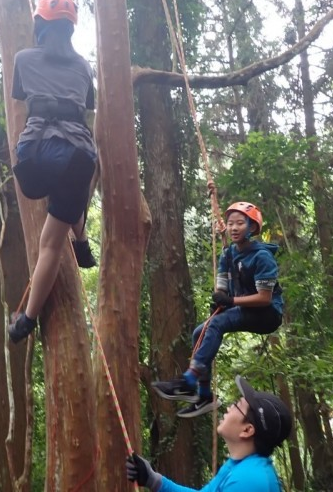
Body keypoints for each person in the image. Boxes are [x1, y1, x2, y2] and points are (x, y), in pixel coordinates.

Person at [7, 0, 98, 344]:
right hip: (78, 155)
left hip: (35, 157)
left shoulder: (24, 59)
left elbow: (19, 106)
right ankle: (82, 240)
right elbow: (85, 106)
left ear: (39, 24)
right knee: (54, 234)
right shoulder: (83, 67)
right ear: (71, 30)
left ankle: (26, 319)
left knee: (53, 223)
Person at [151, 202, 283, 417]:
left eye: (240, 223)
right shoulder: (228, 255)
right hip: (244, 308)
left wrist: (230, 301)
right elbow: (221, 285)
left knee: (218, 324)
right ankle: (203, 395)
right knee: (199, 332)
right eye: (230, 223)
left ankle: (189, 380)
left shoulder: (262, 257)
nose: (234, 228)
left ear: (252, 228)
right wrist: (220, 298)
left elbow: (265, 298)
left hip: (268, 315)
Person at [126, 375, 292, 491]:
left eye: (237, 405)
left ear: (247, 430)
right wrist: (153, 480)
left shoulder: (249, 480)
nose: (229, 407)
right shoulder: (239, 466)